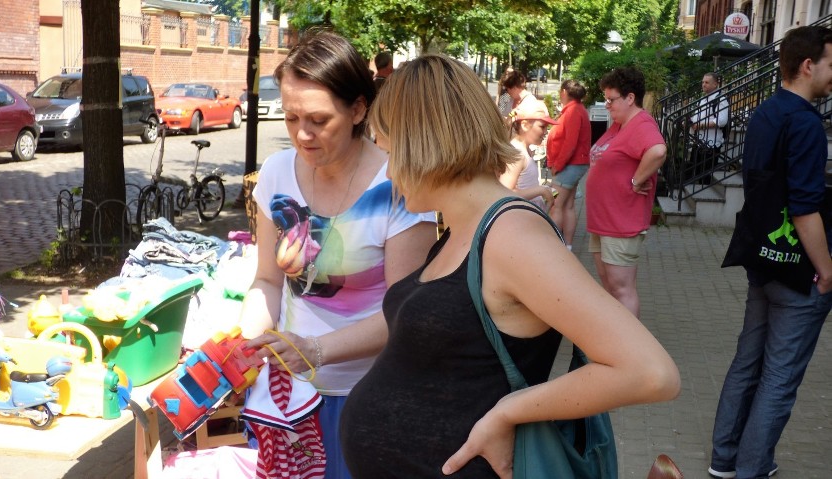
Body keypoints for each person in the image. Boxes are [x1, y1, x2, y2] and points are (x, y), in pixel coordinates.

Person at [339, 54, 680, 478]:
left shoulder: (512, 236)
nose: (389, 172)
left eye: (391, 153)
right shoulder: (463, 227)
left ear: (422, 142)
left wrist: (508, 413)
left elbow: (650, 371)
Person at [238, 30, 438, 479]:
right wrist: (244, 341)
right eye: (290, 119)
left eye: (318, 120)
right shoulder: (275, 173)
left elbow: (405, 312)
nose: (302, 135)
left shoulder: (399, 184)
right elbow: (268, 280)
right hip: (290, 398)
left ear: (358, 109)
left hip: (369, 398)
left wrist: (315, 349)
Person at [708, 26, 832, 479]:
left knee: (748, 361)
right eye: (831, 64)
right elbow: (804, 208)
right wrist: (827, 269)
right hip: (799, 272)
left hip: (762, 260)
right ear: (807, 65)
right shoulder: (805, 124)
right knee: (779, 378)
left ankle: (725, 460)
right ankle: (752, 469)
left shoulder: (762, 115)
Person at [586, 67, 666, 318]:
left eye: (611, 100)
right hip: (604, 221)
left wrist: (636, 180)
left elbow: (658, 151)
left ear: (630, 98)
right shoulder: (621, 125)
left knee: (622, 290)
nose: (607, 105)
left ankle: (630, 351)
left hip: (621, 221)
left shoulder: (640, 124)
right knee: (611, 288)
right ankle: (616, 342)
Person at [546, 79, 592, 249]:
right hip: (575, 164)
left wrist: (557, 164)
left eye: (560, 91)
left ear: (564, 92)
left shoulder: (573, 111)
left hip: (569, 166)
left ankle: (555, 247)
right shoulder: (577, 109)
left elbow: (570, 143)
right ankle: (567, 246)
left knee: (555, 204)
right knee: (568, 205)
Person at [500, 101, 557, 212]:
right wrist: (541, 191)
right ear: (525, 125)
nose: (546, 132)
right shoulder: (517, 153)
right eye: (542, 127)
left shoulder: (526, 151)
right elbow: (505, 193)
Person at [688, 72, 729, 184]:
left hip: (711, 143)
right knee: (695, 171)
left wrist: (701, 125)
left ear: (715, 84)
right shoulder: (704, 99)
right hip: (699, 141)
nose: (703, 85)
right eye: (702, 82)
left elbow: (722, 121)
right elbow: (698, 116)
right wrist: (690, 122)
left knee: (705, 176)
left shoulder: (721, 99)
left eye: (707, 82)